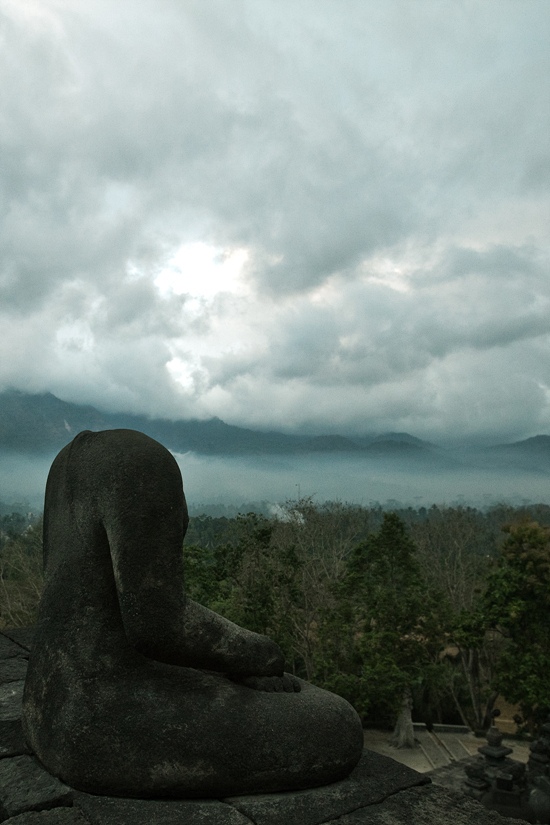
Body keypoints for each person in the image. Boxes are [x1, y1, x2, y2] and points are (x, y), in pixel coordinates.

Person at [23, 429, 363, 798]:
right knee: (336, 721)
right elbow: (157, 623)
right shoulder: (143, 464)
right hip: (100, 718)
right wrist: (258, 650)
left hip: (46, 698)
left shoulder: (66, 462)